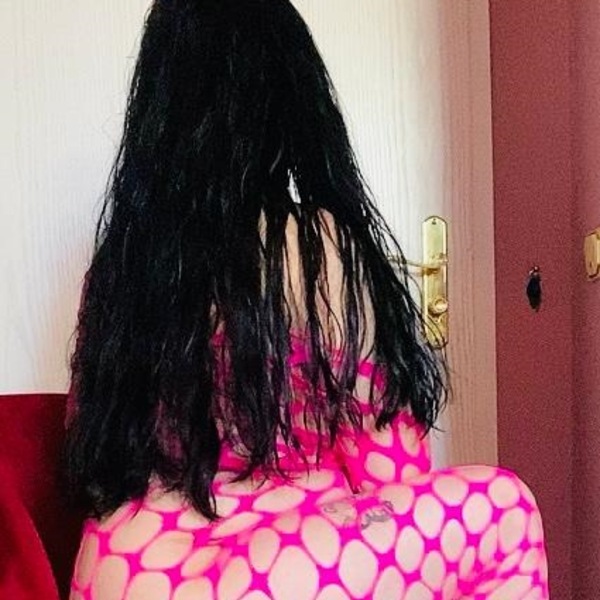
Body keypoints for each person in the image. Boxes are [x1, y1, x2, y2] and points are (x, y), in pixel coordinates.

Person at [65, 1, 549, 598]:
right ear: (292, 100)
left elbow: (98, 452)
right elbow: (390, 469)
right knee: (506, 507)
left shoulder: (119, 266)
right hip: (252, 581)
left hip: (118, 572)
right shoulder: (312, 246)